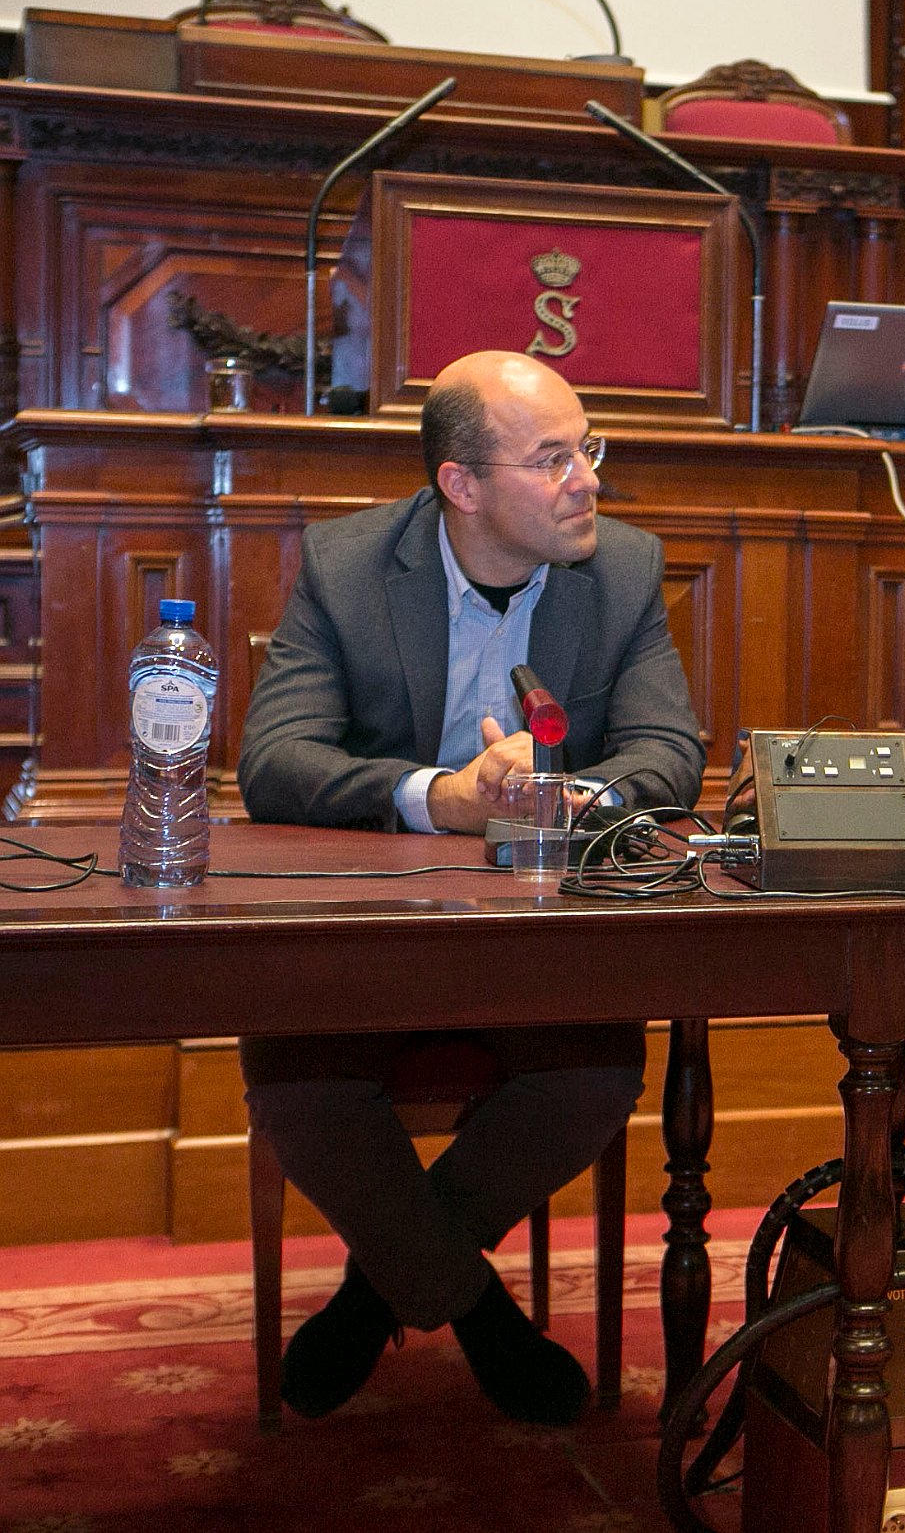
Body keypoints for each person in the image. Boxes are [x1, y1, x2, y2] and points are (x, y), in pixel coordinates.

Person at [237, 350, 705, 1421]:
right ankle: (482, 1315)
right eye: (554, 459)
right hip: (366, 931)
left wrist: (562, 794)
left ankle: (376, 1296)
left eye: (589, 449)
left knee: (592, 1074)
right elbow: (274, 759)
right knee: (297, 1081)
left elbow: (667, 754)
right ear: (462, 484)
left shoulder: (621, 570)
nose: (588, 477)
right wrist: (438, 796)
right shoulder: (349, 566)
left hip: (534, 932)